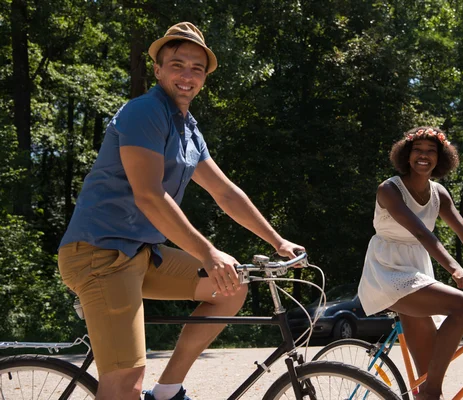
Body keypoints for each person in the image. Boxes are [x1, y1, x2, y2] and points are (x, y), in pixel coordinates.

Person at [57, 22, 304, 400]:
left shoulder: (188, 128)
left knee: (232, 285)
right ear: (158, 70)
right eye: (177, 64)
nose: (187, 75)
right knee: (126, 380)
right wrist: (207, 252)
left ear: (204, 78)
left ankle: (168, 391)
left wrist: (277, 240)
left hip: (141, 253)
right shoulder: (145, 112)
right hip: (100, 253)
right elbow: (150, 196)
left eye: (197, 68)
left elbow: (225, 192)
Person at [358, 127, 463, 400]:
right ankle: (431, 394)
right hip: (386, 271)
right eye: (418, 150)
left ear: (440, 158)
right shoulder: (389, 189)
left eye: (431, 151)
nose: (424, 156)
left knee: (425, 373)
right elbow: (421, 233)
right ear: (407, 156)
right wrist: (456, 270)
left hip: (419, 270)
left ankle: (428, 392)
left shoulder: (439, 194)